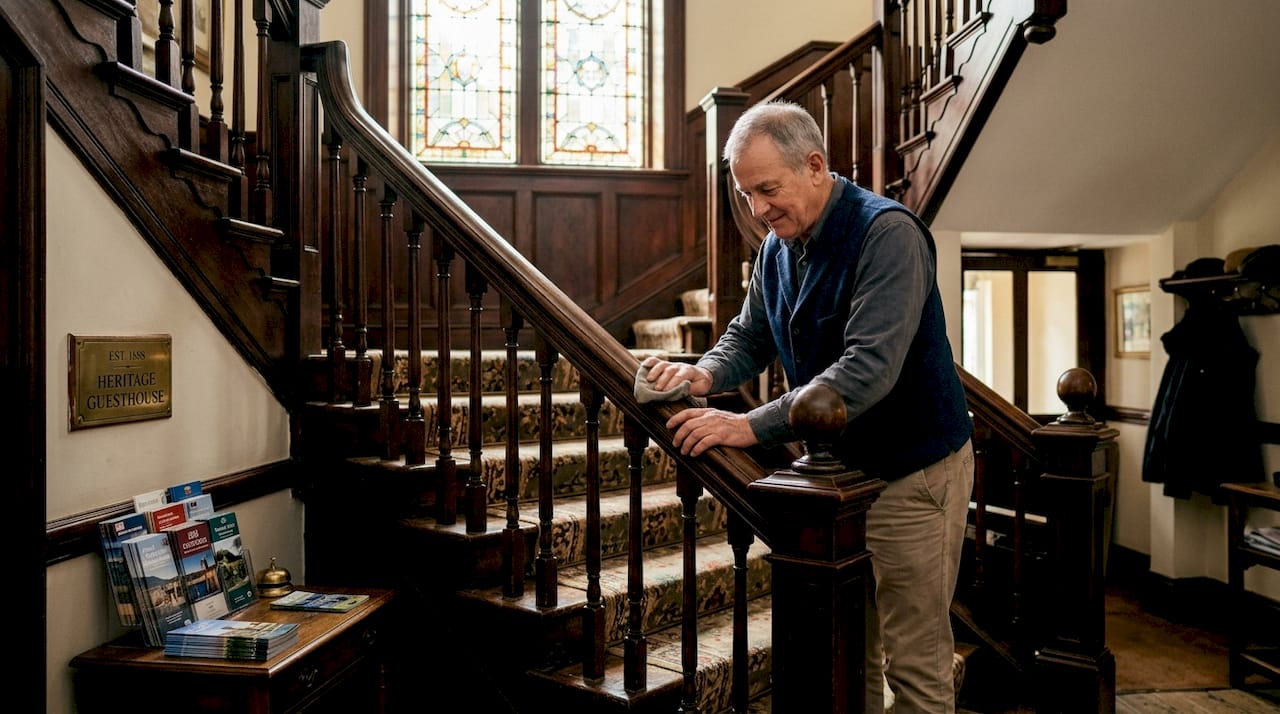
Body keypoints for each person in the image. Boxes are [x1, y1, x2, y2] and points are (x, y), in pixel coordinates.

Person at [640, 100, 974, 712]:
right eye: (746, 195)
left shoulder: (888, 234)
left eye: (767, 189)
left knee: (917, 667)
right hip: (838, 480)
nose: (758, 209)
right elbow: (750, 332)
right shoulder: (777, 243)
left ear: (815, 166)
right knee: (853, 651)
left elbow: (866, 370)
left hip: (913, 472)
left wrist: (746, 424)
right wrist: (701, 374)